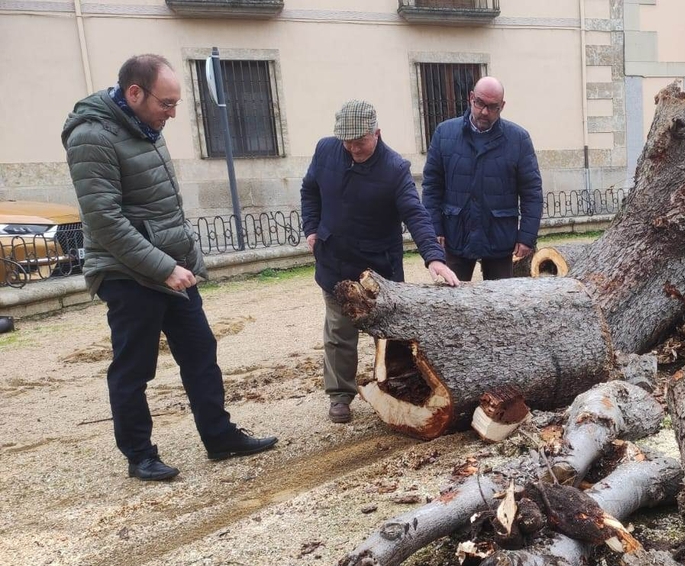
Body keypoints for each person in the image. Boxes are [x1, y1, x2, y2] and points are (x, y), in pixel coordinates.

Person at [62, 54, 277, 482]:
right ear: (134, 93)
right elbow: (105, 221)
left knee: (201, 352)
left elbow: (162, 206)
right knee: (135, 368)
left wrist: (185, 258)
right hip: (127, 274)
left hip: (170, 268)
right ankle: (139, 454)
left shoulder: (147, 126)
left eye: (177, 104)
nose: (173, 114)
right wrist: (163, 268)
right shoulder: (91, 137)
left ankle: (220, 437)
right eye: (167, 103)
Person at [301, 100, 461, 424]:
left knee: (389, 336)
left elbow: (416, 214)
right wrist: (312, 227)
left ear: (377, 133)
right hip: (334, 260)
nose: (353, 148)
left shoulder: (394, 168)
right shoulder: (326, 151)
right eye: (347, 141)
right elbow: (310, 190)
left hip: (378, 271)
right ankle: (340, 396)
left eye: (359, 141)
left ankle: (398, 388)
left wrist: (434, 258)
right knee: (338, 334)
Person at [422, 76, 543, 281]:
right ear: (471, 98)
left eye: (492, 107)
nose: (484, 112)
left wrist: (526, 236)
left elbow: (532, 191)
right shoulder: (444, 134)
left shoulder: (518, 139)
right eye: (480, 103)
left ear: (502, 106)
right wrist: (434, 227)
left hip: (500, 236)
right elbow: (432, 186)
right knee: (452, 304)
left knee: (502, 306)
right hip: (456, 234)